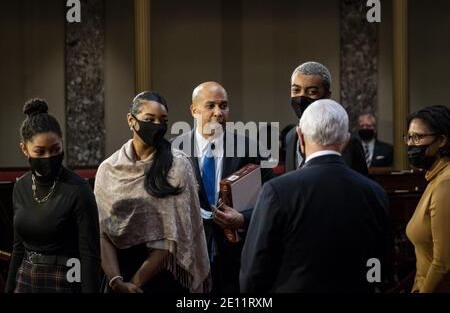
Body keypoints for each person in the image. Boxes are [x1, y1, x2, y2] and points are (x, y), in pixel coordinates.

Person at [240, 99, 390, 292]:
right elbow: (380, 264)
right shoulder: (375, 192)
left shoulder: (277, 191)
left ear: (300, 137)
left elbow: (254, 271)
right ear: (345, 139)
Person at [95, 91, 210, 293]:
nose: (157, 125)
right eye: (150, 119)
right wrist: (116, 281)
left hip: (164, 275)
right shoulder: (108, 168)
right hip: (119, 271)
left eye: (163, 120)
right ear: (131, 120)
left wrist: (135, 284)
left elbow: (172, 236)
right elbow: (103, 232)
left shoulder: (178, 165)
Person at [172, 81, 274, 293]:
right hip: (186, 258)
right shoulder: (172, 149)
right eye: (210, 106)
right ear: (194, 110)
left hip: (236, 258)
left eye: (224, 106)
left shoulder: (251, 148)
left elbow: (271, 202)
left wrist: (243, 218)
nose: (218, 112)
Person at [5, 99, 100, 293]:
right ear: (24, 149)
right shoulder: (21, 186)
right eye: (40, 151)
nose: (49, 157)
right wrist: (9, 288)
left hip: (64, 278)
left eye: (56, 149)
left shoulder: (79, 189)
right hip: (26, 276)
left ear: (62, 144)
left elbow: (90, 255)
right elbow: (18, 247)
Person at [285, 61, 368, 175]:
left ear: (327, 96)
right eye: (296, 90)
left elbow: (357, 186)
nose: (301, 97)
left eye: (312, 92)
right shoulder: (290, 137)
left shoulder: (348, 141)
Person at [404, 105, 450, 293]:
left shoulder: (445, 183)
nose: (411, 144)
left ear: (441, 140)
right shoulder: (434, 177)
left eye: (418, 137)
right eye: (409, 137)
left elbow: (443, 264)